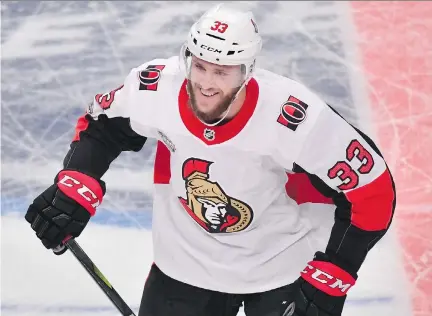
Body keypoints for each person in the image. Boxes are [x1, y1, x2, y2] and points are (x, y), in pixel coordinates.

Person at [24, 3, 396, 316]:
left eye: (222, 71)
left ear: (247, 72)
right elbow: (102, 127)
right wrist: (76, 185)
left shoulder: (292, 116)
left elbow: (373, 192)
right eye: (200, 65)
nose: (206, 83)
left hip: (282, 266)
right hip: (185, 267)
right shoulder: (157, 87)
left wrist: (334, 273)